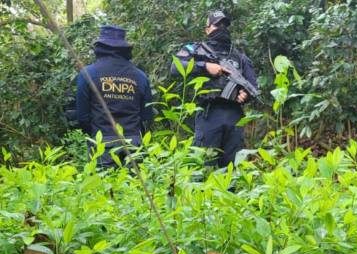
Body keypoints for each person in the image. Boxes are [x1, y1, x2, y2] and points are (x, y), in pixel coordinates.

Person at [171, 10, 258, 168]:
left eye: (224, 25)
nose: (221, 28)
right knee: (205, 164)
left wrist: (246, 95)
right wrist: (205, 66)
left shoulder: (240, 57)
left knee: (232, 167)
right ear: (207, 29)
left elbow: (253, 86)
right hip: (209, 113)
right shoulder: (195, 49)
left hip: (235, 116)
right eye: (217, 25)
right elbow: (175, 68)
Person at [76, 25, 153, 169]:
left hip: (102, 145)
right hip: (133, 145)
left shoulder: (88, 73)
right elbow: (147, 116)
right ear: (125, 49)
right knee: (133, 189)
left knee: (104, 189)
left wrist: (96, 134)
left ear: (100, 47)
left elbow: (82, 117)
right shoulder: (141, 76)